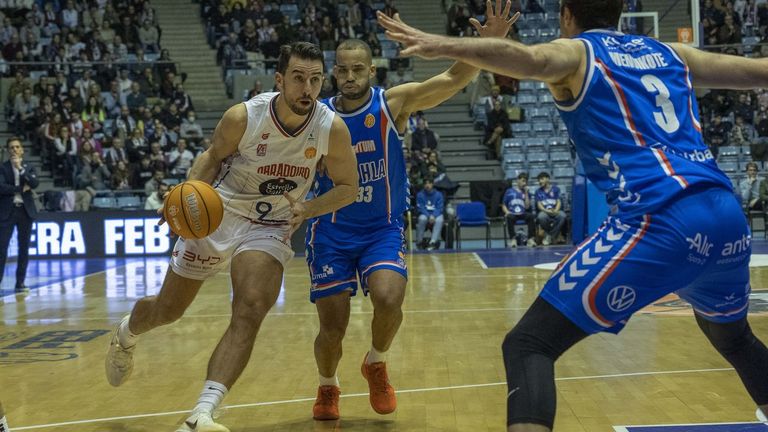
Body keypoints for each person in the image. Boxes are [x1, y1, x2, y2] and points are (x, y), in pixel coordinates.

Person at [378, 0, 768, 430]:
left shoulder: (579, 52)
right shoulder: (670, 53)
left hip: (663, 216)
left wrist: (444, 43)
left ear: (566, 15)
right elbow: (756, 72)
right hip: (727, 213)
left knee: (528, 345)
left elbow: (530, 59)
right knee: (733, 338)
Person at [104, 42, 358, 432]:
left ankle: (202, 413)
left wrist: (309, 208)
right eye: (298, 79)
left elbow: (347, 187)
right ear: (279, 80)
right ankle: (126, 333)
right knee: (168, 311)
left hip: (270, 224)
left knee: (251, 307)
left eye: (315, 79)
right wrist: (184, 196)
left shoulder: (330, 127)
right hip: (217, 214)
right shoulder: (245, 116)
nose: (307, 89)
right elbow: (211, 156)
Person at [306, 3, 519, 421]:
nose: (350, 77)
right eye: (343, 70)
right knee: (332, 328)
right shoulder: (318, 115)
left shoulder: (393, 105)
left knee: (389, 297)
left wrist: (488, 42)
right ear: (334, 73)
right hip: (330, 230)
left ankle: (376, 362)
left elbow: (454, 78)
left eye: (358, 70)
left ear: (372, 71)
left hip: (381, 228)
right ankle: (328, 386)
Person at [0, 137, 38, 292]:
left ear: (22, 149)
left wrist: (21, 169)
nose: (14, 149)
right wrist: (20, 189)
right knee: (2, 249)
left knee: (24, 249)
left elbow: (35, 183)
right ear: (8, 151)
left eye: (17, 147)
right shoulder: (2, 168)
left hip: (25, 211)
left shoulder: (29, 167)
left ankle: (20, 282)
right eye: (11, 147)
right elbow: (1, 188)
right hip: (7, 212)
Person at [502, 172, 536, 247]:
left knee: (531, 216)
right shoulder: (509, 191)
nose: (524, 183)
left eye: (526, 181)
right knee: (509, 217)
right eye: (523, 181)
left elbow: (527, 207)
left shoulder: (526, 192)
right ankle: (513, 239)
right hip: (512, 213)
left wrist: (526, 194)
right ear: (518, 180)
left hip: (522, 213)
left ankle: (530, 239)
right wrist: (507, 212)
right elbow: (504, 205)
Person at [534, 172, 566, 246]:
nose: (540, 181)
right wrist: (547, 211)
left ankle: (549, 236)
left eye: (542, 179)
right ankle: (552, 236)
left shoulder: (556, 189)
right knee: (541, 216)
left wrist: (556, 210)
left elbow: (559, 202)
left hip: (555, 210)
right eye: (539, 180)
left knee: (562, 215)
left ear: (548, 179)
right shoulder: (538, 191)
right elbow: (539, 205)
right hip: (545, 211)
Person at [415, 178, 445, 250]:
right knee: (422, 218)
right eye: (426, 183)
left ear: (432, 184)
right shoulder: (420, 195)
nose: (427, 185)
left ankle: (433, 242)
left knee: (440, 220)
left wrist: (433, 216)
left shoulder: (439, 195)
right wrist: (429, 216)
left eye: (429, 183)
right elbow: (420, 208)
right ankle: (419, 242)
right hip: (425, 214)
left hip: (436, 215)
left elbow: (440, 208)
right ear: (423, 185)